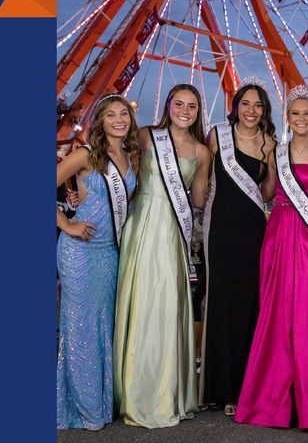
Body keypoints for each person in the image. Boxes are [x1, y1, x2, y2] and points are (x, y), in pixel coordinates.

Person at [234, 86, 308, 429]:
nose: (301, 119)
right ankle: (276, 400)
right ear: (288, 118)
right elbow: (267, 193)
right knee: (278, 310)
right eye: (295, 114)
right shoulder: (276, 153)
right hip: (280, 233)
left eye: (307, 114)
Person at [114, 84, 212, 428]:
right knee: (140, 301)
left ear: (198, 112)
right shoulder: (145, 136)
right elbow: (121, 171)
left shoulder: (202, 151)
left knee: (166, 302)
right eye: (179, 104)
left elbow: (198, 200)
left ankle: (164, 389)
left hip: (172, 230)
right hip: (140, 226)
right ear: (168, 105)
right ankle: (131, 388)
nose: (185, 110)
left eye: (192, 106)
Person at [56, 95, 139, 430]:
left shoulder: (132, 156)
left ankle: (102, 403)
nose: (119, 120)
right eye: (111, 115)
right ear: (100, 121)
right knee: (81, 329)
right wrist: (67, 223)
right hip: (80, 250)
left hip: (110, 252)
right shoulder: (86, 155)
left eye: (124, 114)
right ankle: (86, 409)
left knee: (104, 327)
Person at [198, 79, 276, 416]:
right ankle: (221, 387)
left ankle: (246, 384)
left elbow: (269, 191)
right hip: (221, 229)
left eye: (258, 105)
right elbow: (201, 182)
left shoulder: (269, 143)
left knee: (248, 304)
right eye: (245, 103)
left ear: (264, 111)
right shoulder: (217, 136)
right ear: (236, 106)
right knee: (221, 302)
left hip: (253, 230)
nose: (251, 111)